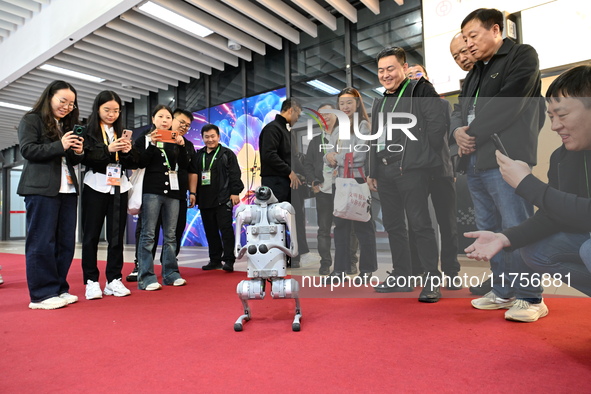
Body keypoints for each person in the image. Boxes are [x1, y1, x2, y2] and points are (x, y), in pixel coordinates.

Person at [464, 65, 591, 321]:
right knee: (536, 251)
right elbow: (553, 216)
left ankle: (529, 297)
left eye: (562, 115)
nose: (555, 126)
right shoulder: (562, 157)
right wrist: (503, 238)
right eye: (551, 116)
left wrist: (526, 184)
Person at [450, 8, 545, 312]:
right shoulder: (475, 72)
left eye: (472, 36)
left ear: (495, 30)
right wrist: (457, 133)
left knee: (516, 226)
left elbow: (510, 102)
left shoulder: (522, 56)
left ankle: (530, 297)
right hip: (475, 163)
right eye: (464, 39)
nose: (468, 45)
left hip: (506, 160)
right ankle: (502, 290)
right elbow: (458, 111)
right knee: (488, 231)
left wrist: (471, 133)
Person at [367, 47, 447, 303]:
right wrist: (372, 170)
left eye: (391, 68)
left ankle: (431, 279)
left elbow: (437, 124)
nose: (386, 74)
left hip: (412, 169)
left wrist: (421, 156)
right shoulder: (379, 100)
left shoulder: (419, 89)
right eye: (381, 70)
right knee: (393, 226)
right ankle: (401, 276)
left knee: (420, 224)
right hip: (385, 169)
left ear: (403, 67)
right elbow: (374, 138)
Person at [17, 80, 84, 309]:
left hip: (67, 189)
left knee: (65, 242)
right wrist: (60, 145)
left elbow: (71, 160)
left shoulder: (65, 126)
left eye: (71, 104)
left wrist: (78, 151)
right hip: (41, 189)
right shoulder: (31, 119)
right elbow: (28, 150)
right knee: (41, 241)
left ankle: (58, 288)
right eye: (62, 101)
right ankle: (41, 295)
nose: (66, 107)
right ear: (50, 97)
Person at [127, 109, 197, 282]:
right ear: (153, 119)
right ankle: (145, 274)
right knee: (148, 233)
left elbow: (184, 166)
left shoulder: (178, 141)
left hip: (174, 193)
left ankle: (171, 273)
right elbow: (139, 162)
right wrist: (152, 144)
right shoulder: (145, 137)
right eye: (161, 117)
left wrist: (180, 147)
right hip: (151, 191)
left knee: (171, 235)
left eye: (168, 117)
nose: (165, 120)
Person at [81, 90, 138, 299]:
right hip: (95, 185)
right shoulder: (88, 132)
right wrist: (108, 149)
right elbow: (85, 158)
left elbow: (134, 163)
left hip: (118, 187)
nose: (111, 114)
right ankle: (91, 280)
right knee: (91, 236)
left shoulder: (122, 132)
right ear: (98, 109)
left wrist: (127, 151)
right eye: (107, 110)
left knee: (116, 236)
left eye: (115, 110)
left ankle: (114, 279)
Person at [325, 87, 378, 282]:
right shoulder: (338, 129)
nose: (345, 106)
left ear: (357, 104)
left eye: (349, 102)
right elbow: (327, 153)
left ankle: (366, 270)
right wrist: (328, 156)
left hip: (358, 180)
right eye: (341, 103)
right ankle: (339, 270)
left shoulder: (363, 125)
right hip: (339, 181)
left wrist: (336, 157)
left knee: (363, 226)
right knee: (340, 227)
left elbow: (359, 155)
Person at [304, 103, 360, 276]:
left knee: (349, 228)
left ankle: (350, 262)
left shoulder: (345, 136)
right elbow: (307, 165)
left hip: (343, 189)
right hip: (324, 191)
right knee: (323, 230)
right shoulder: (315, 142)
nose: (325, 117)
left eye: (328, 113)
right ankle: (325, 263)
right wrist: (313, 182)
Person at [259, 98, 304, 267]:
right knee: (276, 220)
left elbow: (292, 158)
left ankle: (293, 255)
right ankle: (277, 256)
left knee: (292, 219)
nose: (298, 118)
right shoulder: (273, 129)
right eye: (298, 114)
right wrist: (289, 171)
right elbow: (269, 155)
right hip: (276, 183)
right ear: (291, 110)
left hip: (287, 183)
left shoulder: (285, 130)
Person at [195, 124, 244, 272]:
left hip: (223, 199)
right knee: (210, 231)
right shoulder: (199, 155)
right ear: (202, 138)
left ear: (218, 136)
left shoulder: (227, 154)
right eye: (206, 137)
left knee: (226, 230)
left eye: (212, 136)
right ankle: (214, 260)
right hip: (204, 199)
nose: (210, 140)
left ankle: (229, 260)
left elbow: (235, 174)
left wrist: (235, 192)